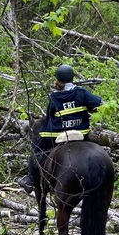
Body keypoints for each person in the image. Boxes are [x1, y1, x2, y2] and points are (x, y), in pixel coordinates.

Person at [20, 64, 102, 193]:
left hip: (58, 133)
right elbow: (98, 104)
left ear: (59, 78)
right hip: (80, 132)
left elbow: (49, 116)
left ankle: (30, 180)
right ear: (72, 77)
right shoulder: (81, 92)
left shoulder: (55, 96)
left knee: (37, 150)